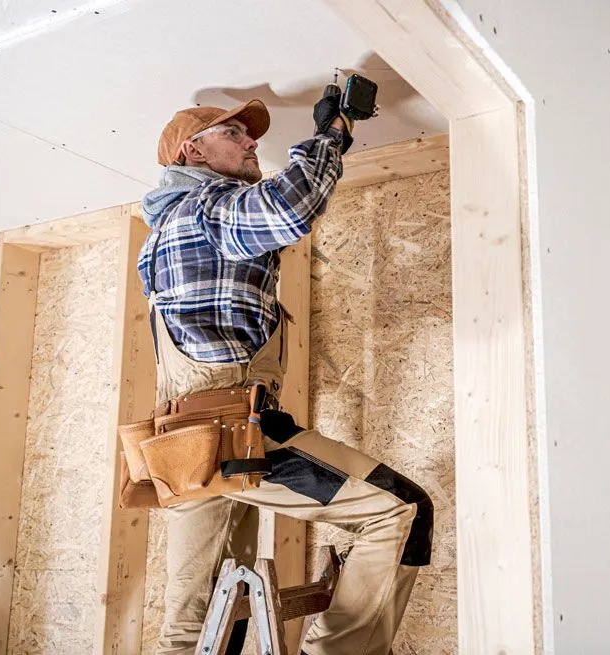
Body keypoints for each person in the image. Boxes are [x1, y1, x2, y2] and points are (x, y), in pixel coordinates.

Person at [138, 95, 432, 655]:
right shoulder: (204, 207)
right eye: (234, 134)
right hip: (233, 436)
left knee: (200, 624)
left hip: (183, 449)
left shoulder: (166, 232)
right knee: (400, 509)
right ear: (190, 151)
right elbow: (288, 209)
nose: (252, 142)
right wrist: (331, 135)